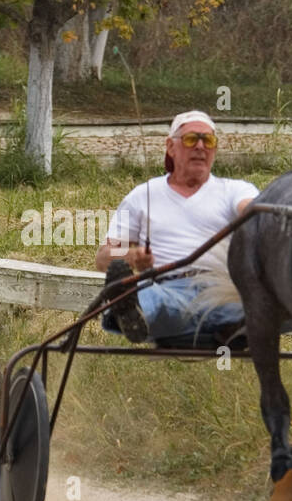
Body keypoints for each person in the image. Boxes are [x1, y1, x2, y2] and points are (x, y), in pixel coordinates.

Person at [95, 110, 257, 344]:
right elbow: (104, 256)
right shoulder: (142, 195)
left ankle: (230, 323)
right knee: (155, 300)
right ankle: (134, 313)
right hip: (168, 288)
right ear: (171, 147)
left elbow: (253, 209)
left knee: (260, 302)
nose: (200, 146)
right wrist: (132, 255)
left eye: (208, 140)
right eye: (191, 139)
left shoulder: (235, 190)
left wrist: (254, 212)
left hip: (223, 290)